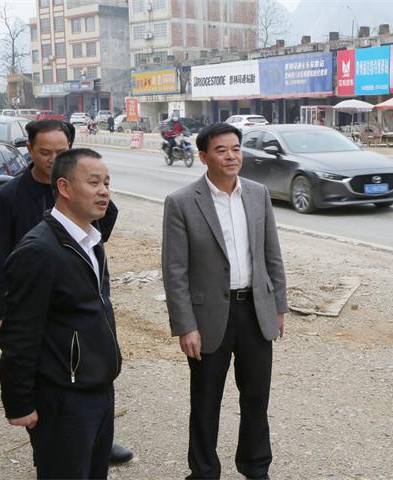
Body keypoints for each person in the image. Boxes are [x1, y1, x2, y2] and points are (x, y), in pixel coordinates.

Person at [0, 119, 131, 464]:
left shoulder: (91, 240)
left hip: (97, 386)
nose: (104, 192)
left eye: (107, 183)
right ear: (64, 187)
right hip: (63, 394)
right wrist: (20, 402)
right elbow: (21, 335)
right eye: (94, 183)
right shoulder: (39, 250)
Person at [162, 122, 288, 480]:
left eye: (236, 148)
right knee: (205, 402)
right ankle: (203, 472)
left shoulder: (257, 194)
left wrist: (278, 305)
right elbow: (174, 270)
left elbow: (271, 254)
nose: (231, 156)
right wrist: (185, 325)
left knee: (256, 399)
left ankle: (256, 467)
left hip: (255, 311)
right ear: (204, 157)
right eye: (221, 150)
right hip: (208, 317)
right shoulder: (181, 202)